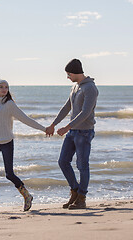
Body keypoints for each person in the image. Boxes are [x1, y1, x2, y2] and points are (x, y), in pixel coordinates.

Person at [0, 78, 46, 215]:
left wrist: (44, 129)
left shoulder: (9, 104)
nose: (4, 89)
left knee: (9, 174)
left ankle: (27, 196)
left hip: (7, 142)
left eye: (6, 87)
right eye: (1, 87)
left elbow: (25, 119)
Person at [46, 59, 98, 209]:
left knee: (82, 165)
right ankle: (75, 191)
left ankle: (81, 198)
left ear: (75, 72)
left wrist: (67, 127)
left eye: (68, 74)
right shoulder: (75, 87)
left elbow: (85, 113)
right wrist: (53, 124)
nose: (67, 77)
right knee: (63, 161)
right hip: (73, 131)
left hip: (84, 132)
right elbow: (66, 107)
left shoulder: (90, 88)